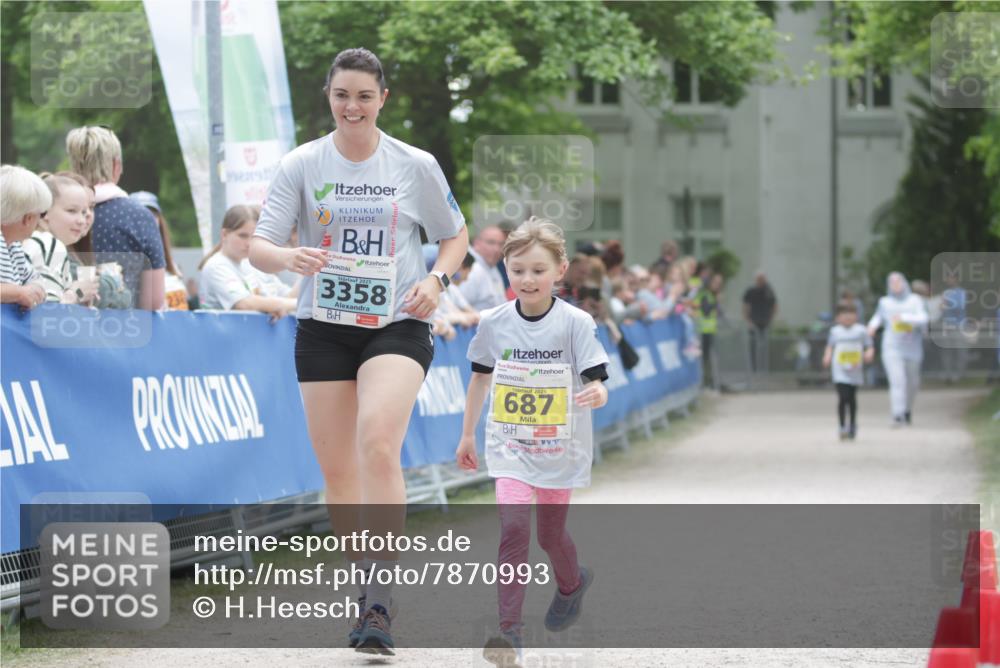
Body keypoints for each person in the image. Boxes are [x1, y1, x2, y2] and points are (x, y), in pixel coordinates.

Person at [248, 47, 468, 654]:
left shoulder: (414, 164)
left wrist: (436, 279)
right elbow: (259, 248)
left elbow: (455, 236)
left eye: (364, 96)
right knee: (339, 470)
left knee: (376, 440)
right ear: (329, 96)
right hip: (323, 325)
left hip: (397, 321)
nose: (352, 106)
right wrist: (290, 257)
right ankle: (364, 587)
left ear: (382, 100)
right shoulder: (302, 164)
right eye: (342, 95)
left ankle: (378, 602)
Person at [455, 217, 609, 667]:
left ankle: (571, 583)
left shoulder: (575, 322)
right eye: (518, 269)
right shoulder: (494, 322)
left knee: (551, 535)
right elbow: (480, 379)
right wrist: (467, 434)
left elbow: (598, 378)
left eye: (538, 270)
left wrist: (598, 392)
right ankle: (510, 634)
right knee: (515, 529)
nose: (527, 279)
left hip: (559, 449)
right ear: (506, 268)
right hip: (510, 446)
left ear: (560, 270)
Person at [66, 126, 166, 310]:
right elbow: (153, 301)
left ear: (73, 165)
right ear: (116, 166)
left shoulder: (55, 213)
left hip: (67, 325)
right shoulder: (140, 217)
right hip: (126, 328)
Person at [198, 205, 297, 321]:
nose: (249, 243)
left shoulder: (251, 264)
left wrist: (310, 271)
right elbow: (244, 303)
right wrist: (294, 304)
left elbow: (286, 296)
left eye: (254, 237)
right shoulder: (216, 266)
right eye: (243, 236)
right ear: (224, 234)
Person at [25, 173, 101, 306]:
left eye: (84, 212)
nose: (82, 221)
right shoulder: (49, 244)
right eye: (72, 211)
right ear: (44, 211)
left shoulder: (35, 241)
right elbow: (50, 310)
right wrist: (78, 293)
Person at [867, 272, 928, 426]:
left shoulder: (915, 300)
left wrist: (904, 318)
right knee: (897, 381)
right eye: (892, 282)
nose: (895, 285)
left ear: (904, 283)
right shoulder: (885, 302)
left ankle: (907, 409)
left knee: (913, 383)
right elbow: (878, 318)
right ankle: (897, 414)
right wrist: (871, 327)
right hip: (892, 347)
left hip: (912, 347)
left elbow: (923, 318)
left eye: (898, 281)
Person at [823, 301, 875, 440]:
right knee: (843, 397)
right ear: (838, 317)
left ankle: (852, 424)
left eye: (850, 314)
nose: (847, 317)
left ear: (856, 316)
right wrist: (827, 356)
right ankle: (842, 425)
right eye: (844, 314)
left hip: (855, 368)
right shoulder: (835, 331)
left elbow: (869, 345)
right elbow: (830, 346)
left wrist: (869, 353)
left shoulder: (860, 330)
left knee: (852, 398)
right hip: (840, 369)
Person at [0, 165, 50, 310]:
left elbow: (35, 279)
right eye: (40, 215)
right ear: (27, 219)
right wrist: (18, 293)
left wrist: (33, 289)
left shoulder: (13, 246)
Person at [131, 191, 189, 310]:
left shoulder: (171, 263)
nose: (148, 219)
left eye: (153, 214)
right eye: (141, 214)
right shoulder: (127, 261)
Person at [461, 225, 507, 311]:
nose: (497, 249)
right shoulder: (472, 269)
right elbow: (458, 306)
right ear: (476, 243)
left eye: (501, 244)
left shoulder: (491, 266)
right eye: (491, 242)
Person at [743, 271, 778, 372]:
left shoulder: (769, 291)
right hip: (753, 324)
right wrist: (748, 320)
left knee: (764, 348)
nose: (761, 281)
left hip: (765, 323)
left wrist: (771, 320)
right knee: (753, 346)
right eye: (759, 278)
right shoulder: (751, 291)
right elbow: (746, 307)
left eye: (763, 278)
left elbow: (774, 306)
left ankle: (764, 369)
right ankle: (753, 369)